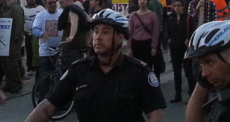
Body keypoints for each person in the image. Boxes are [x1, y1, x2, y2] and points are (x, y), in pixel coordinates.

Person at [25, 9, 166, 122]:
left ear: (120, 38)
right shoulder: (78, 70)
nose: (98, 37)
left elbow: (156, 115)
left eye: (105, 32)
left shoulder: (140, 72)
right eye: (96, 31)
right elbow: (48, 107)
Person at [168, 0, 196, 103]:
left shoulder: (188, 18)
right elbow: (169, 31)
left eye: (179, 5)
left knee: (188, 72)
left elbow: (193, 32)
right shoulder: (172, 18)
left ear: (183, 6)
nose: (177, 8)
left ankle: (191, 96)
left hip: (185, 49)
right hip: (174, 48)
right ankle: (177, 95)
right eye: (175, 6)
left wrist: (188, 39)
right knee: (176, 72)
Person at [32, 0, 62, 79]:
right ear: (45, 5)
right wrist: (41, 34)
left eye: (54, 2)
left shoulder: (61, 13)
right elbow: (35, 29)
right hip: (45, 51)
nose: (52, 4)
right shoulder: (40, 15)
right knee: (44, 76)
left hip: (59, 51)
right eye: (50, 3)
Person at [57, 0, 91, 67]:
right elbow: (90, 23)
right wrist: (88, 41)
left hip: (72, 45)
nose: (61, 5)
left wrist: (71, 36)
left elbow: (74, 22)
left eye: (62, 3)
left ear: (69, 0)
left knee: (69, 67)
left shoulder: (72, 9)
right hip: (81, 43)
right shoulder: (80, 9)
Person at [128, 0, 159, 69]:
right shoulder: (133, 15)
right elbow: (130, 32)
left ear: (147, 2)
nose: (142, 1)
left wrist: (154, 47)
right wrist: (129, 47)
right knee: (136, 67)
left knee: (147, 67)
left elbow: (155, 32)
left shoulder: (152, 15)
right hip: (136, 44)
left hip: (147, 44)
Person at [23, 0, 45, 76]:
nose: (32, 0)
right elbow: (21, 21)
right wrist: (23, 30)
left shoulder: (40, 8)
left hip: (39, 34)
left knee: (39, 51)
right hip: (28, 34)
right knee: (29, 51)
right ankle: (30, 68)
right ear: (26, 0)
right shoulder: (23, 10)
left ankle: (39, 66)